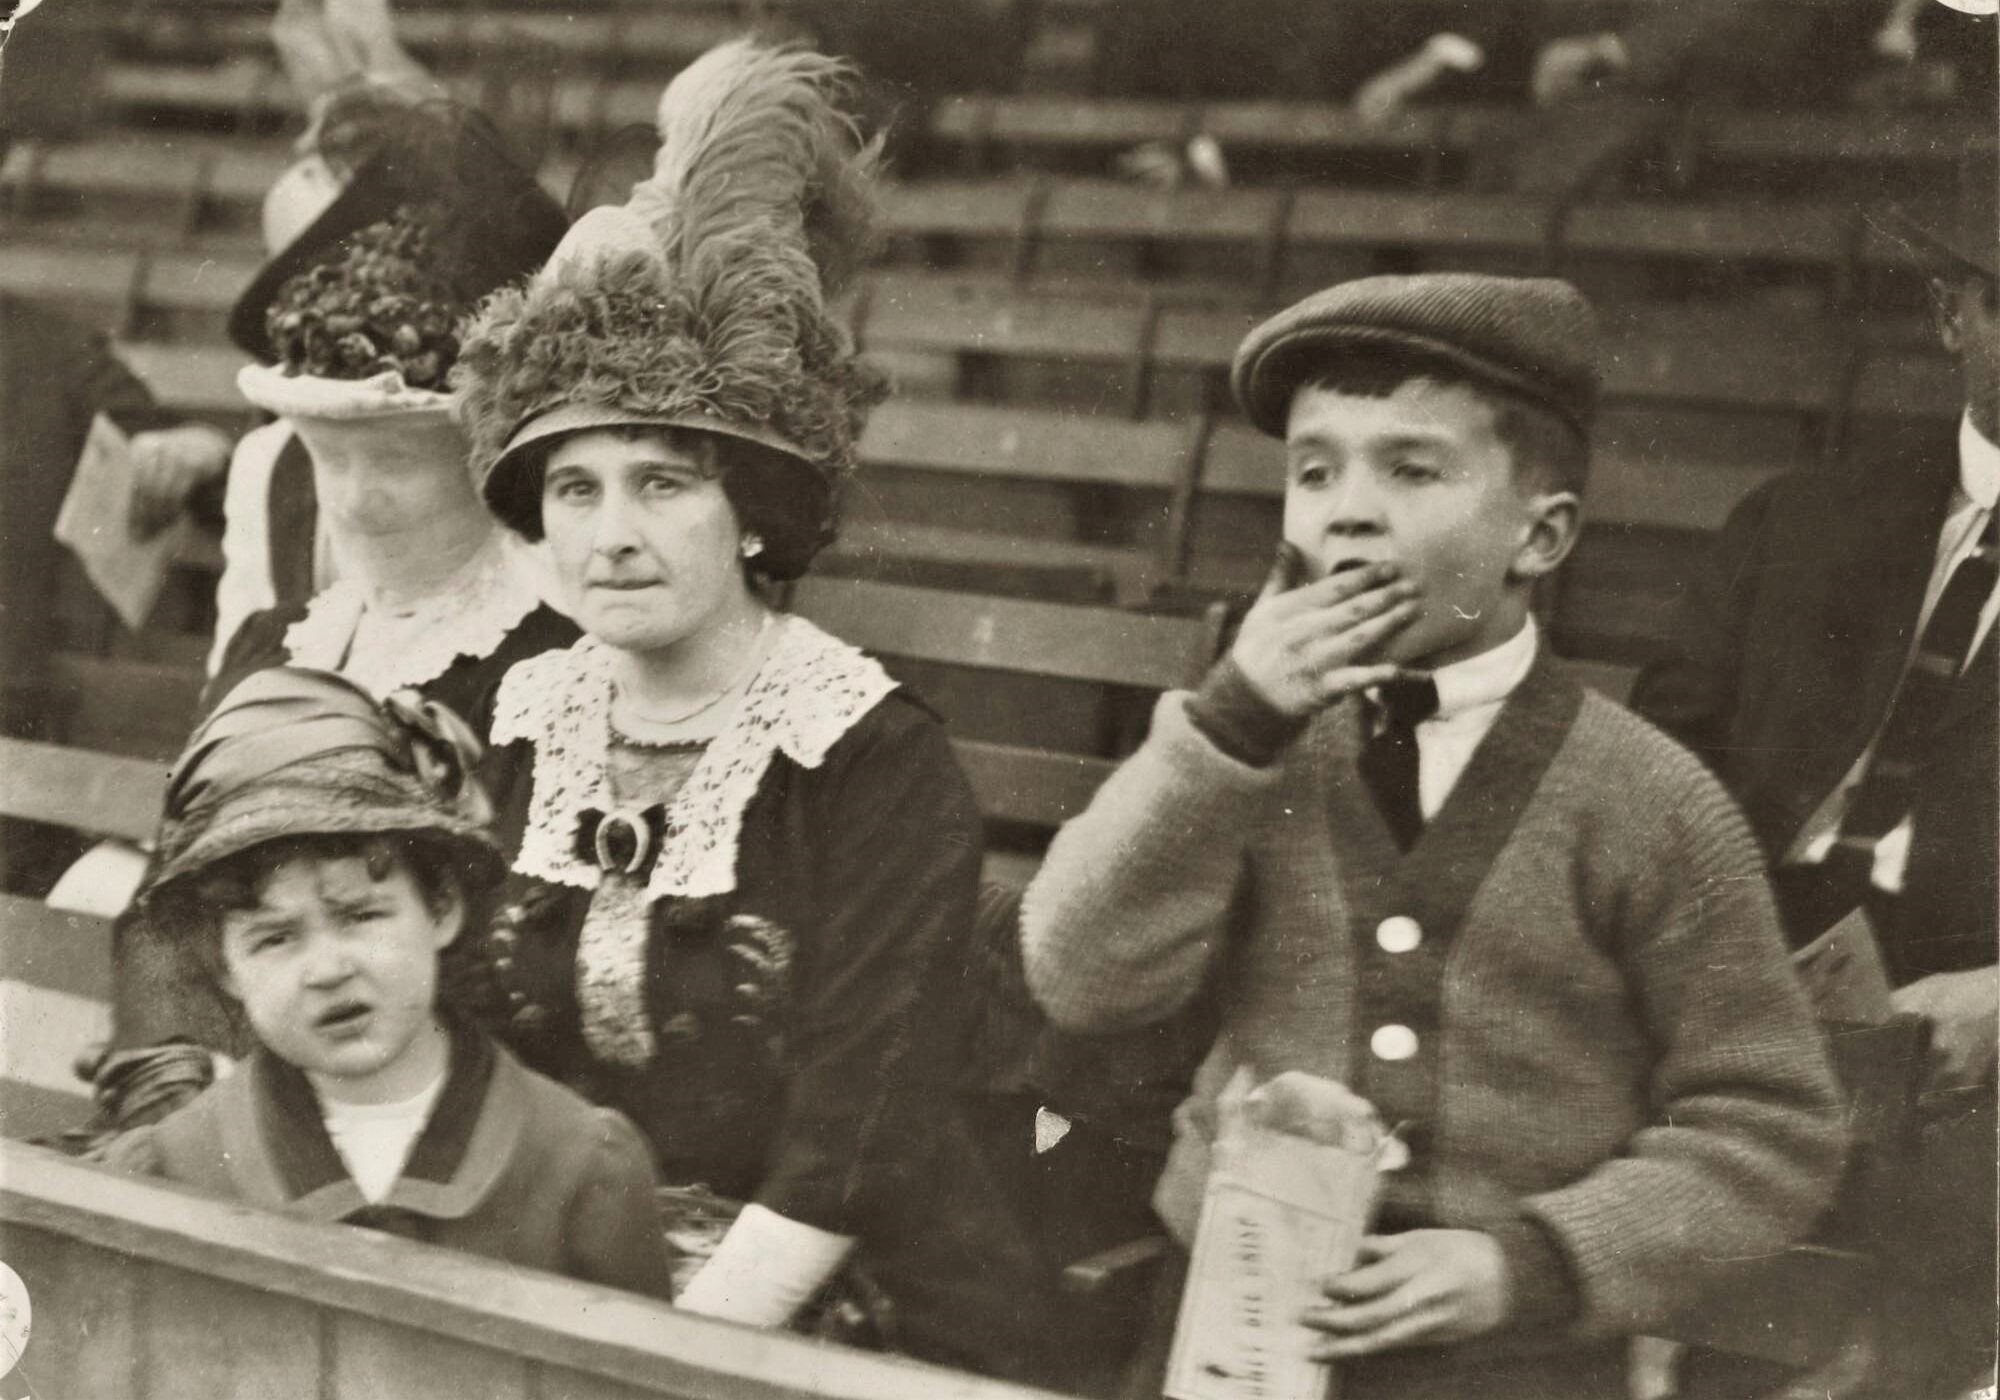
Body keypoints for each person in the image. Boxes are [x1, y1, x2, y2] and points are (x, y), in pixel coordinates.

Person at [1019, 272, 1848, 1400]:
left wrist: (1536, 1260)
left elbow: (1770, 1121)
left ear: (1538, 535)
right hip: (1229, 1313)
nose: (1345, 510)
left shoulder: (1648, 798)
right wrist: (1230, 721)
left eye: (1410, 468)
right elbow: (1078, 975)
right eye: (1313, 471)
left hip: (1514, 1355)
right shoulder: (1238, 754)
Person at [449, 39, 1001, 1369]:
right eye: (575, 489)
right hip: (546, 1286)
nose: (612, 534)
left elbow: (852, 1144)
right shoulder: (522, 720)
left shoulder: (870, 760)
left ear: (754, 510)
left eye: (664, 482)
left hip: (819, 1314)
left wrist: (643, 1362)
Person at [1628, 164, 1998, 1398]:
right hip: (1742, 979)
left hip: (1966, 1038)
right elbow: (1654, 780)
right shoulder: (1796, 518)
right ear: (1951, 311)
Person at [101, 667, 675, 1301]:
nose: (327, 969)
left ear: (440, 908)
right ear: (224, 970)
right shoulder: (177, 1165)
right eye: (275, 938)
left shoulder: (577, 1163)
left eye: (360, 915)